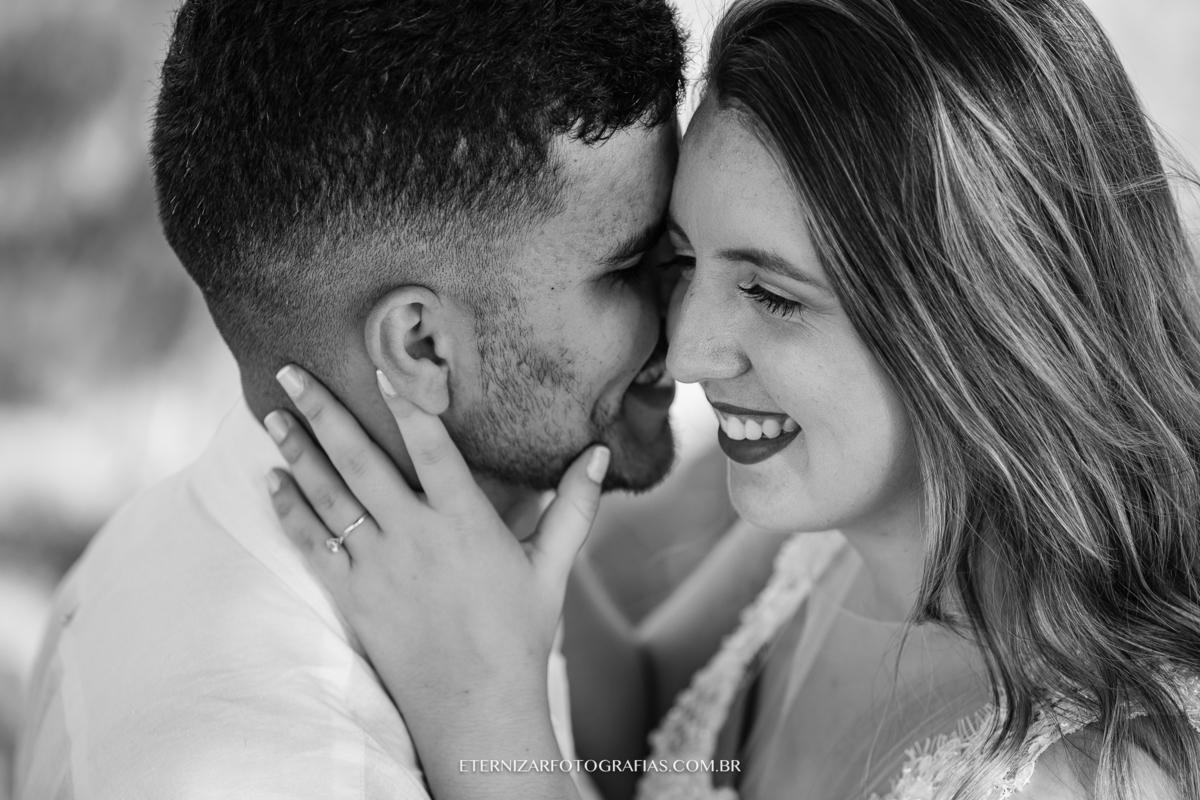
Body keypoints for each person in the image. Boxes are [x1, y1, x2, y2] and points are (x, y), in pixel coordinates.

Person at [263, 0, 1200, 798]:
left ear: (984, 317)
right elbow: (634, 709)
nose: (685, 351)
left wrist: (482, 718)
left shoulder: (1095, 776)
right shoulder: (810, 547)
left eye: (771, 294)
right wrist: (503, 527)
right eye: (681, 260)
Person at [14, 1, 688, 797]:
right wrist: (488, 720)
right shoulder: (277, 774)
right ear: (421, 347)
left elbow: (656, 721)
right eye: (629, 268)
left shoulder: (460, 558)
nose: (694, 316)